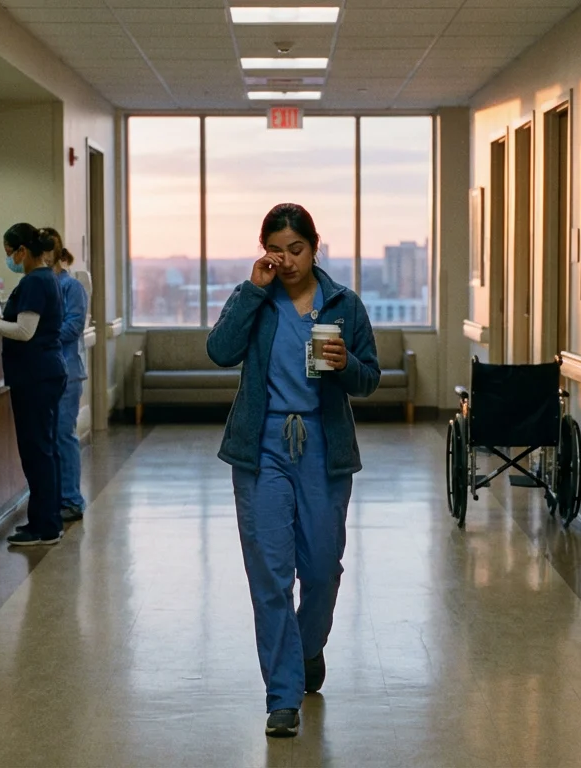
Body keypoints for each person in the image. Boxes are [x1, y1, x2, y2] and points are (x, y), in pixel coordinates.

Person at [206, 203, 381, 738]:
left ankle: (307, 649)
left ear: (314, 247)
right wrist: (252, 291)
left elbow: (369, 379)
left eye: (296, 250)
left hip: (324, 447)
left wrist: (344, 365)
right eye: (275, 251)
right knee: (270, 574)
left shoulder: (343, 304)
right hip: (261, 448)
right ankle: (282, 696)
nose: (286, 261)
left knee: (323, 569)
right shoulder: (256, 298)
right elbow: (220, 351)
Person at [0, 223, 67, 547]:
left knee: (36, 452)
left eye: (9, 253)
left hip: (35, 376)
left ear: (23, 251)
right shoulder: (48, 278)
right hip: (45, 372)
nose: (9, 260)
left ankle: (44, 526)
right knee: (46, 450)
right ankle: (49, 521)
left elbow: (25, 331)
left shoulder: (34, 281)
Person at [43, 228, 88, 522]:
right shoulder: (41, 285)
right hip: (47, 372)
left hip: (68, 372)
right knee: (50, 438)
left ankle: (71, 499)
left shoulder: (71, 288)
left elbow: (72, 327)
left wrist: (38, 334)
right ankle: (55, 497)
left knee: (63, 435)